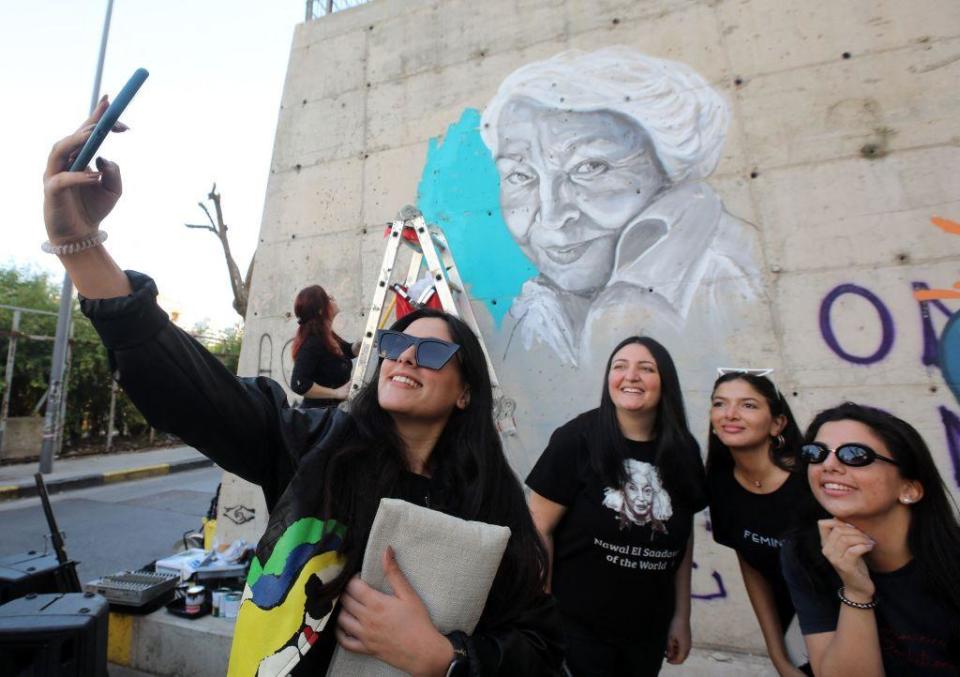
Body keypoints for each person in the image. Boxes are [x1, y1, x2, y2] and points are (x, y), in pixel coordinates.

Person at [43, 99, 563, 676]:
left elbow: (539, 648)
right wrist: (81, 245)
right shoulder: (313, 449)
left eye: (435, 350)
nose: (406, 354)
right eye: (394, 343)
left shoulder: (493, 501)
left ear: (466, 393)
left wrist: (445, 659)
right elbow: (192, 392)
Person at [480, 47, 765, 368]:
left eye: (589, 167)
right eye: (520, 175)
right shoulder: (536, 310)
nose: (553, 215)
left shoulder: (729, 277)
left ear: (667, 169)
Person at [526, 336, 707, 676]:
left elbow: (681, 540)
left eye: (646, 368)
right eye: (619, 366)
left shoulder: (683, 450)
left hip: (647, 633)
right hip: (576, 630)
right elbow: (539, 527)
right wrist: (540, 615)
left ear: (665, 380)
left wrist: (681, 616)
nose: (631, 376)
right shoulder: (577, 439)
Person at [781, 402, 960, 675]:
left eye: (855, 455)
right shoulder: (805, 552)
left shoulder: (951, 561)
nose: (828, 465)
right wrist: (856, 592)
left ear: (909, 489)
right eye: (815, 454)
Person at [705, 370, 811, 676]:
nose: (731, 414)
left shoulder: (813, 481)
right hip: (794, 634)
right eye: (720, 404)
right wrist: (778, 655)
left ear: (777, 423)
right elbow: (752, 567)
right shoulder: (720, 484)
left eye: (748, 405)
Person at [290, 284, 357, 408]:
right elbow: (299, 383)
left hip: (329, 416)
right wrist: (336, 393)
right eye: (328, 298)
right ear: (321, 310)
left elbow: (348, 351)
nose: (332, 298)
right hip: (317, 420)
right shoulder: (312, 343)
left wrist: (361, 343)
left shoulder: (328, 336)